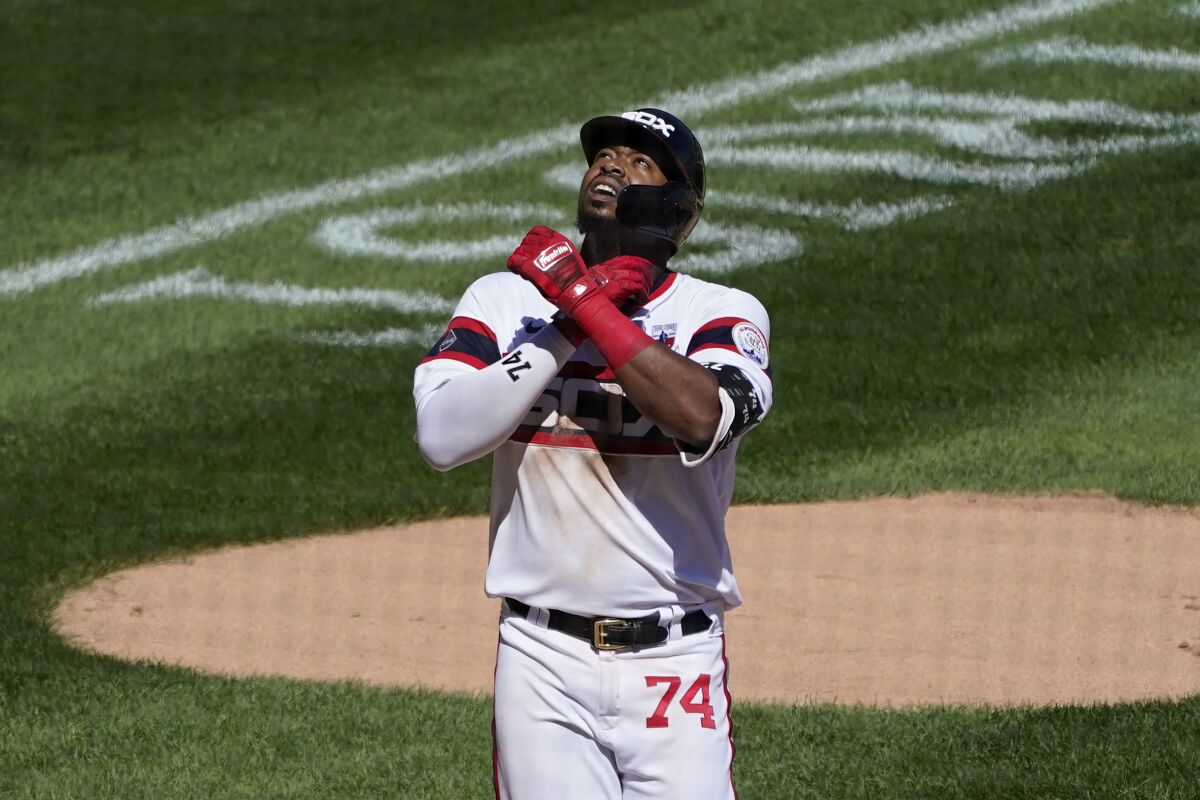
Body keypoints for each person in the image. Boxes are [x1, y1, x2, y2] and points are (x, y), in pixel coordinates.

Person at [413, 108, 772, 800]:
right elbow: (442, 437)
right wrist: (566, 323)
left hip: (675, 660)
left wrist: (589, 308)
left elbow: (702, 415)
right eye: (603, 154)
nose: (611, 165)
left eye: (640, 162)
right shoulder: (505, 300)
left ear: (680, 204)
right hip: (541, 661)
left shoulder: (719, 311)